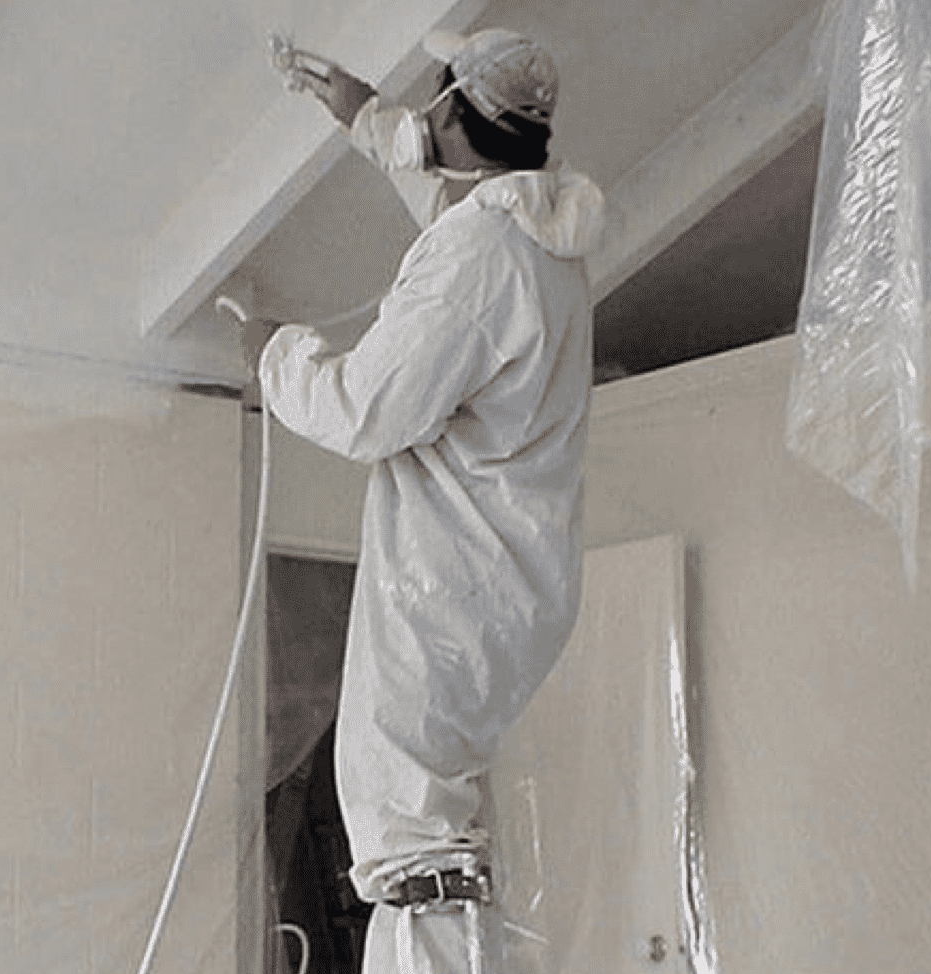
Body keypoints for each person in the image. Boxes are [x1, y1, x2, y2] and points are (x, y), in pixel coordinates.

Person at [241, 28, 605, 973]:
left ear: (454, 108)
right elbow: (458, 217)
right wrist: (369, 120)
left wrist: (277, 359)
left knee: (404, 831)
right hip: (506, 582)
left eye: (433, 100)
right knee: (422, 818)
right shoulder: (544, 232)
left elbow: (365, 410)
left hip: (454, 584)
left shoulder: (482, 257)